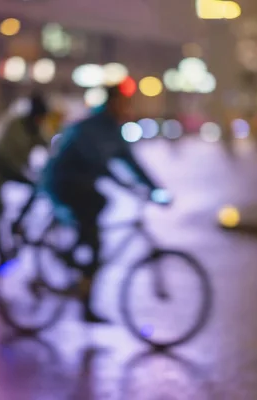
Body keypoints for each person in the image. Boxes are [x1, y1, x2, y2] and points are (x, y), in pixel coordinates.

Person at [41, 85, 167, 323]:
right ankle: (71, 257)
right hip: (63, 183)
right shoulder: (91, 128)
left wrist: (155, 189)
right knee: (93, 233)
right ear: (111, 104)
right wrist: (128, 187)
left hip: (84, 186)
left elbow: (131, 163)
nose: (127, 109)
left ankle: (85, 298)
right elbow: (100, 165)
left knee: (96, 229)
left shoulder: (112, 130)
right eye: (123, 103)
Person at [0, 93, 50, 263]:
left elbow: (47, 147)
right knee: (0, 209)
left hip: (15, 170)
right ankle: (0, 250)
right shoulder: (16, 125)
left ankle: (18, 222)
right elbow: (8, 157)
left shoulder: (35, 129)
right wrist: (27, 173)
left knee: (38, 188)